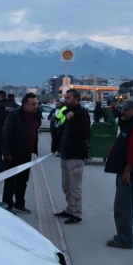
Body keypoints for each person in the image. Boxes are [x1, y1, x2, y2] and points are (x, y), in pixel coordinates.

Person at [104, 100, 133, 249]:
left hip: (130, 173)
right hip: (130, 172)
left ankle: (124, 239)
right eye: (122, 109)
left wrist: (127, 171)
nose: (123, 112)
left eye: (127, 110)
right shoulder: (131, 124)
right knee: (129, 205)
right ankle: (132, 235)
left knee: (123, 207)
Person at [53, 89, 91, 225]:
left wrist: (72, 119)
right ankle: (69, 209)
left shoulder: (81, 113)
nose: (65, 100)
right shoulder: (68, 112)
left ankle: (77, 214)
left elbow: (85, 133)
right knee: (66, 186)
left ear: (76, 99)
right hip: (65, 154)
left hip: (75, 155)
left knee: (75, 187)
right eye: (65, 97)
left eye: (68, 97)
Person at [1, 92, 40, 214]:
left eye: (36, 104)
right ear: (25, 104)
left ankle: (20, 204)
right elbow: (6, 135)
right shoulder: (14, 115)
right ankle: (7, 205)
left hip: (26, 154)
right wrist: (7, 154)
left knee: (23, 181)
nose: (36, 106)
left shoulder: (35, 114)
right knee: (10, 182)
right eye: (33, 104)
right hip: (13, 154)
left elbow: (34, 131)